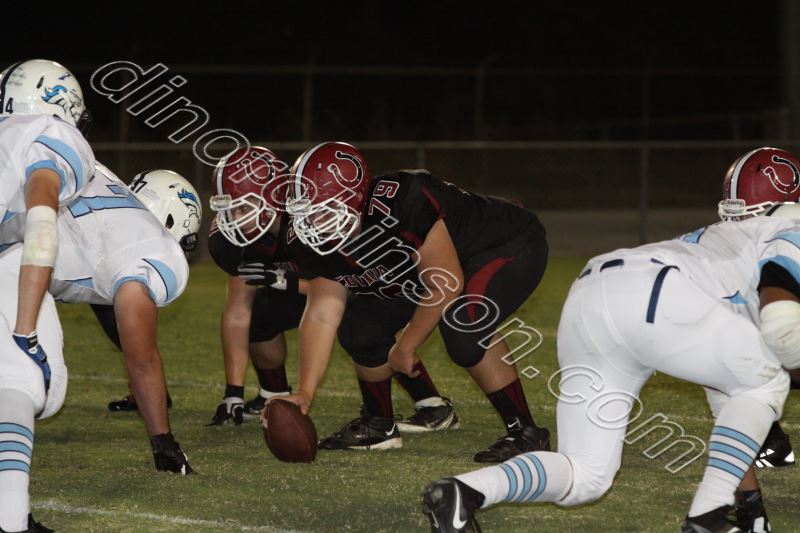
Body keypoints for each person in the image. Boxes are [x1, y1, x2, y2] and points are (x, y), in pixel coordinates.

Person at [420, 204, 800, 532]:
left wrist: (751, 508)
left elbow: (729, 397)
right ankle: (709, 518)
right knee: (768, 379)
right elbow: (781, 325)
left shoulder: (728, 250)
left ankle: (465, 491)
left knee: (586, 476)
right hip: (654, 290)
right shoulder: (790, 229)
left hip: (592, 293)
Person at [282, 142, 549, 460]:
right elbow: (322, 312)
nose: (312, 223)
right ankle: (378, 424)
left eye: (322, 210)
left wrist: (406, 346)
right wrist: (306, 391)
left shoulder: (403, 202)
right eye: (305, 211)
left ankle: (526, 432)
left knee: (464, 326)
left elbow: (445, 284)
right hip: (421, 267)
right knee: (361, 327)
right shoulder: (306, 238)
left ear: (354, 198)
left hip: (502, 244)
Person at [206, 146, 459, 443]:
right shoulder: (230, 241)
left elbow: (345, 281)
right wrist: (233, 391)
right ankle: (272, 392)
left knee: (363, 319)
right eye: (226, 208)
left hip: (355, 282)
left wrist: (283, 281)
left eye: (243, 207)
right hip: (312, 288)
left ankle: (429, 401)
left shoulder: (310, 215)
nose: (231, 219)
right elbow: (238, 309)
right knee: (260, 313)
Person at [0, 59, 94, 533]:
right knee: (26, 381)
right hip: (7, 257)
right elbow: (41, 229)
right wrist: (25, 331)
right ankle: (10, 517)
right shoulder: (47, 135)